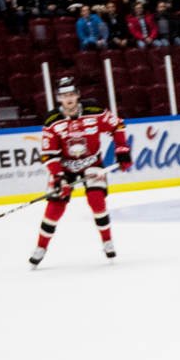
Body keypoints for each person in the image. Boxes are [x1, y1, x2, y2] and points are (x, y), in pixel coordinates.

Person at [30, 75, 129, 266]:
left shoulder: (94, 111)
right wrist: (59, 177)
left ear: (77, 95)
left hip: (92, 163)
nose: (68, 99)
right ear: (58, 98)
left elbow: (117, 125)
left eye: (71, 94)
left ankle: (107, 241)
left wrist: (122, 149)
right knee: (54, 208)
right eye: (63, 95)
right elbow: (48, 155)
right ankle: (41, 247)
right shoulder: (52, 121)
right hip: (64, 167)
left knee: (96, 201)